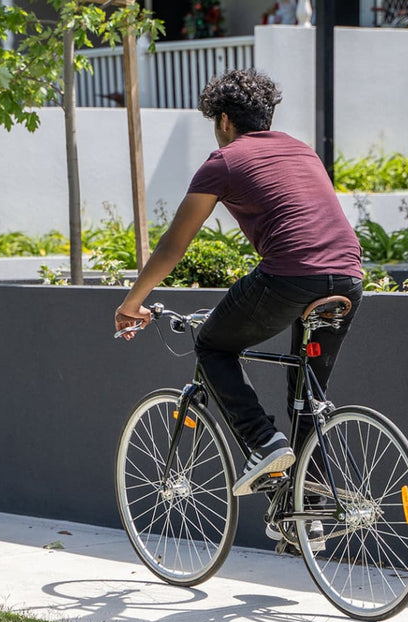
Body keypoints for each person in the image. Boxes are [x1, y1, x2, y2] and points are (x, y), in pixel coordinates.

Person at [114, 68, 362, 501]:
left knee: (212, 344)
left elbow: (174, 246)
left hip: (289, 277)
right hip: (348, 277)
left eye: (215, 124)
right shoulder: (303, 152)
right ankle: (312, 510)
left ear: (224, 120)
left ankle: (263, 443)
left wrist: (133, 301)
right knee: (306, 398)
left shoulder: (224, 161)